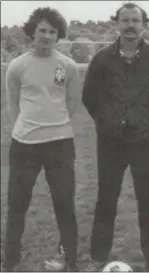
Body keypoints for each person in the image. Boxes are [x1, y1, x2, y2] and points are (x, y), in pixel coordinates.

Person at [82, 2, 149, 272]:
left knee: (148, 199)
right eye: (125, 20)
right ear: (117, 24)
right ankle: (98, 257)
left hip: (145, 142)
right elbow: (90, 98)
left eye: (136, 20)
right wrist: (108, 122)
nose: (130, 25)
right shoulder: (101, 59)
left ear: (143, 24)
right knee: (106, 198)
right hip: (111, 143)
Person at [2, 7, 80, 272]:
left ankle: (70, 260)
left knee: (65, 203)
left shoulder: (67, 66)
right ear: (32, 32)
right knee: (17, 206)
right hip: (24, 145)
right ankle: (10, 262)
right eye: (42, 30)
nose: (47, 36)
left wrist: (53, 126)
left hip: (60, 143)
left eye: (52, 31)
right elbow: (13, 104)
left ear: (58, 35)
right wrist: (28, 129)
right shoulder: (17, 66)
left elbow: (71, 103)